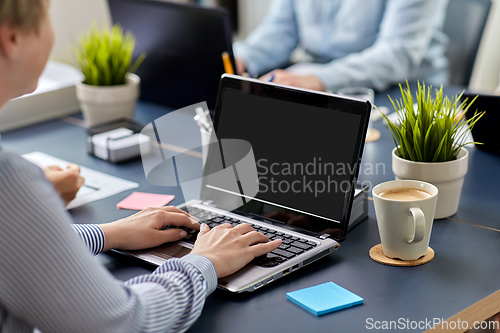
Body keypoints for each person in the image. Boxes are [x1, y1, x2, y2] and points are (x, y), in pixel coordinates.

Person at [0, 1, 281, 332]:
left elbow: (20, 247)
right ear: (12, 38)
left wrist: (110, 233)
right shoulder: (10, 181)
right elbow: (125, 322)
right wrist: (205, 261)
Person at [234, 0, 450, 93]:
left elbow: (396, 53)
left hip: (401, 92)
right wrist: (241, 58)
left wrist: (315, 80)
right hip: (320, 84)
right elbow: (282, 29)